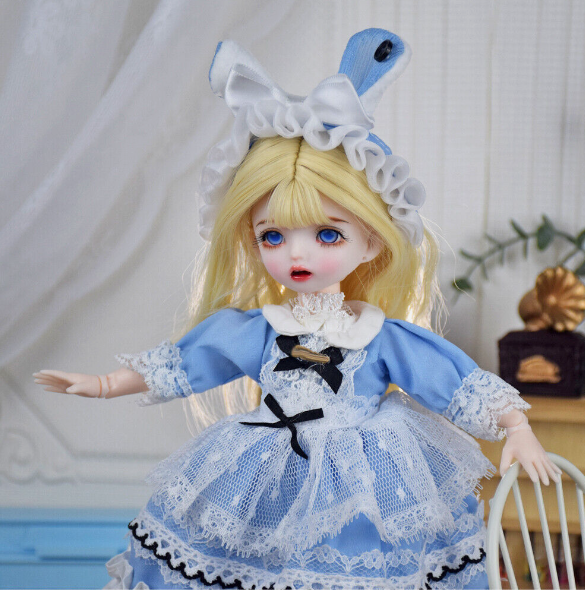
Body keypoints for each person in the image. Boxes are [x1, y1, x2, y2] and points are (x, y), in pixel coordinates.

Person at [34, 29, 560, 589]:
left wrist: (516, 426)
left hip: (358, 479)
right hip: (265, 470)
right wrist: (104, 384)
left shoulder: (379, 336)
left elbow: (449, 381)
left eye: (328, 234)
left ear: (373, 242)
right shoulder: (261, 330)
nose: (297, 254)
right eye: (273, 236)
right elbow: (192, 360)